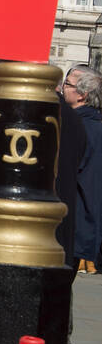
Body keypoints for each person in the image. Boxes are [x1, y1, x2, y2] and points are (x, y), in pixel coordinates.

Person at [62, 67, 102, 273]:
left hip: (70, 221)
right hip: (84, 223)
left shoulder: (78, 127)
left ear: (82, 94)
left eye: (67, 84)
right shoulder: (95, 126)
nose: (62, 87)